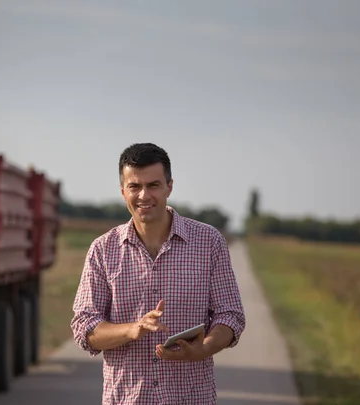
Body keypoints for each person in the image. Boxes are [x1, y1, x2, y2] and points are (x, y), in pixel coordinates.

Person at [70, 143, 246, 404]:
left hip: (190, 398)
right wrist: (133, 329)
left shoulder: (209, 242)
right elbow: (85, 328)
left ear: (169, 187)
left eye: (153, 185)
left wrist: (203, 348)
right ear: (122, 192)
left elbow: (230, 315)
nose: (144, 195)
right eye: (134, 186)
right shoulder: (102, 250)